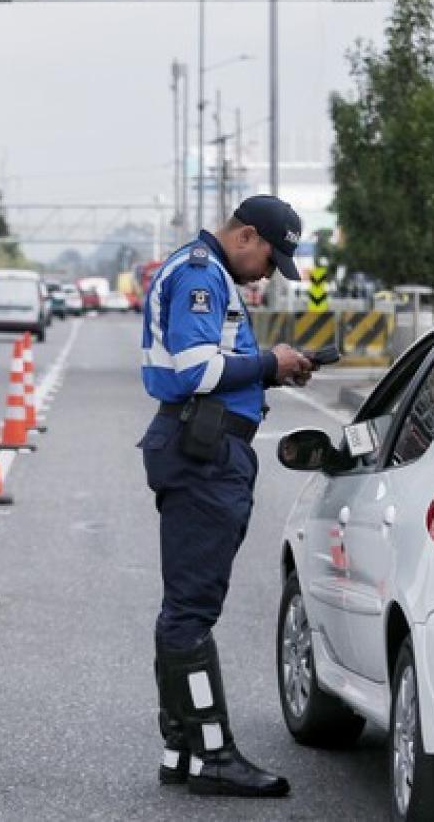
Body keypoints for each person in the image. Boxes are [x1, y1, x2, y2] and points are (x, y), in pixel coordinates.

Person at [138, 195, 317, 798]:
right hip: (205, 456)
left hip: (206, 449)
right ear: (246, 236)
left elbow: (216, 365)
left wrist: (276, 369)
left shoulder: (208, 271)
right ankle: (213, 755)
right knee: (190, 614)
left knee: (183, 610)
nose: (267, 273)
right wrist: (269, 363)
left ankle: (182, 749)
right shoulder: (201, 276)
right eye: (269, 259)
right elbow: (195, 370)